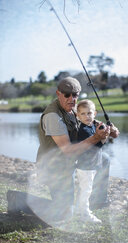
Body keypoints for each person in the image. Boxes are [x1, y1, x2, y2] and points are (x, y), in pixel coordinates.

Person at [36, 76, 119, 222]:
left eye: (75, 95)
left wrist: (108, 129)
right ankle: (27, 203)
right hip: (54, 167)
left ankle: (94, 204)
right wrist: (95, 138)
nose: (71, 99)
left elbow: (93, 121)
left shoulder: (74, 109)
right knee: (65, 213)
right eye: (67, 94)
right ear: (58, 94)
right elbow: (67, 150)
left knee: (104, 159)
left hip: (70, 159)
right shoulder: (53, 116)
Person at [74, 99, 119, 223]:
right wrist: (103, 138)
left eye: (89, 113)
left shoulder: (93, 126)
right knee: (86, 190)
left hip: (92, 165)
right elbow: (94, 146)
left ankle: (80, 209)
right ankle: (84, 214)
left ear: (95, 113)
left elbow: (102, 134)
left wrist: (109, 130)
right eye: (82, 114)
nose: (87, 116)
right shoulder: (83, 130)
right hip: (85, 166)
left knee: (86, 189)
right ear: (77, 115)